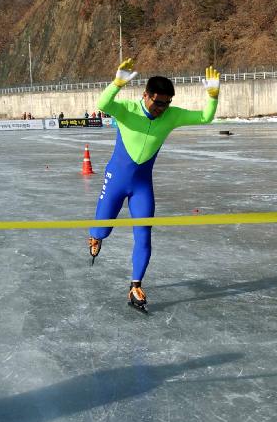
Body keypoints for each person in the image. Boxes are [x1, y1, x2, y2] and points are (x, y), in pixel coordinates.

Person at [87, 58, 220, 311]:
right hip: (115, 180)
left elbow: (205, 117)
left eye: (167, 103)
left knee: (144, 235)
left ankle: (135, 285)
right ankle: (95, 236)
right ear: (145, 95)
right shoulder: (127, 109)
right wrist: (116, 83)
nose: (162, 108)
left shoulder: (171, 115)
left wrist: (213, 96)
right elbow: (102, 103)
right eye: (158, 102)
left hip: (142, 186)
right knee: (103, 229)